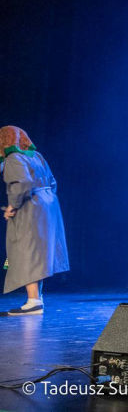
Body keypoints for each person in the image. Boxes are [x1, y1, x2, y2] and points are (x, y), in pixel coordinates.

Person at [1, 126, 69, 316]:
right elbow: (53, 181)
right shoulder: (36, 156)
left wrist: (13, 205)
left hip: (31, 206)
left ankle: (33, 302)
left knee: (26, 250)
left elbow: (22, 182)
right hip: (48, 205)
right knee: (39, 252)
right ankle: (36, 299)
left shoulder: (14, 158)